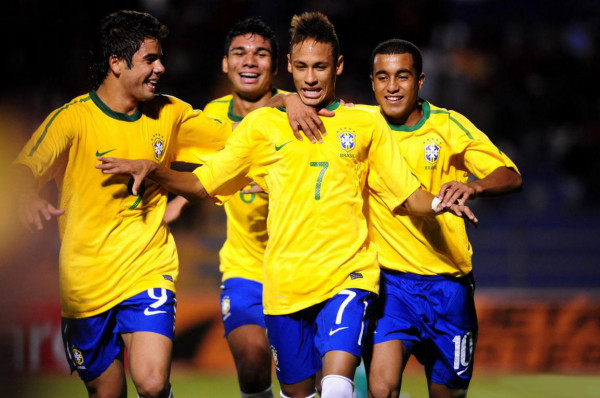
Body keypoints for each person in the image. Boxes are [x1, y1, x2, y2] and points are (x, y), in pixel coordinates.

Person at [95, 13, 478, 398]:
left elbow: (410, 195)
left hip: (348, 277)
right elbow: (201, 183)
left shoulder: (366, 125)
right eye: (302, 67)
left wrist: (445, 201)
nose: (311, 78)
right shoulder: (261, 128)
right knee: (296, 391)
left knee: (336, 386)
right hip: (283, 285)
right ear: (289, 68)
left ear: (338, 66)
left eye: (321, 67)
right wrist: (156, 170)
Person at [13, 10, 233, 398]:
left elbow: (240, 136)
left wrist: (289, 106)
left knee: (150, 382)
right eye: (150, 59)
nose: (161, 68)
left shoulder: (171, 113)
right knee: (107, 392)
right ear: (116, 63)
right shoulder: (73, 119)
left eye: (160, 58)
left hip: (148, 268)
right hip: (86, 283)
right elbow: (25, 167)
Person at [364, 39, 523, 398]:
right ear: (372, 82)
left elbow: (511, 175)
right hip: (390, 286)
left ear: (420, 81)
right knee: (381, 388)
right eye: (382, 77)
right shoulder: (360, 127)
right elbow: (293, 104)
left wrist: (476, 186)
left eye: (402, 77)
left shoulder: (449, 127)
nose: (392, 87)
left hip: (448, 288)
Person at [165, 17, 285, 398]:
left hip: (303, 264)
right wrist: (183, 198)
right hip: (245, 265)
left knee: (310, 378)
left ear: (275, 66)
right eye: (240, 53)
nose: (250, 61)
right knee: (252, 365)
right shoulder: (211, 116)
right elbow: (208, 169)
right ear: (225, 64)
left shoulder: (296, 113)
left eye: (261, 53)